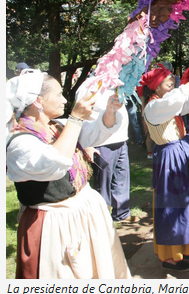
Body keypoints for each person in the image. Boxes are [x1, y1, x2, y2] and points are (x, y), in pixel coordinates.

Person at [6, 70, 130, 278]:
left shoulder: (56, 126)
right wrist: (75, 118)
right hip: (55, 227)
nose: (64, 99)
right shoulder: (21, 143)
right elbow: (56, 164)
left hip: (83, 216)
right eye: (57, 94)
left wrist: (109, 112)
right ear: (38, 101)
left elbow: (90, 136)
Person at [139, 63, 189, 272]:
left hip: (180, 154)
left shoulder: (165, 103)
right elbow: (177, 100)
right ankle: (170, 256)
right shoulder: (153, 107)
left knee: (187, 202)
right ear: (156, 88)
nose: (173, 87)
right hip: (170, 158)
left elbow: (187, 103)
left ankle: (185, 248)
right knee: (173, 205)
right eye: (168, 83)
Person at [76, 87, 136, 224]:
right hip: (102, 143)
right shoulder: (90, 86)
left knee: (121, 177)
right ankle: (103, 216)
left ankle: (122, 212)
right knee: (103, 182)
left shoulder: (119, 84)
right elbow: (81, 116)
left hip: (120, 140)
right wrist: (87, 145)